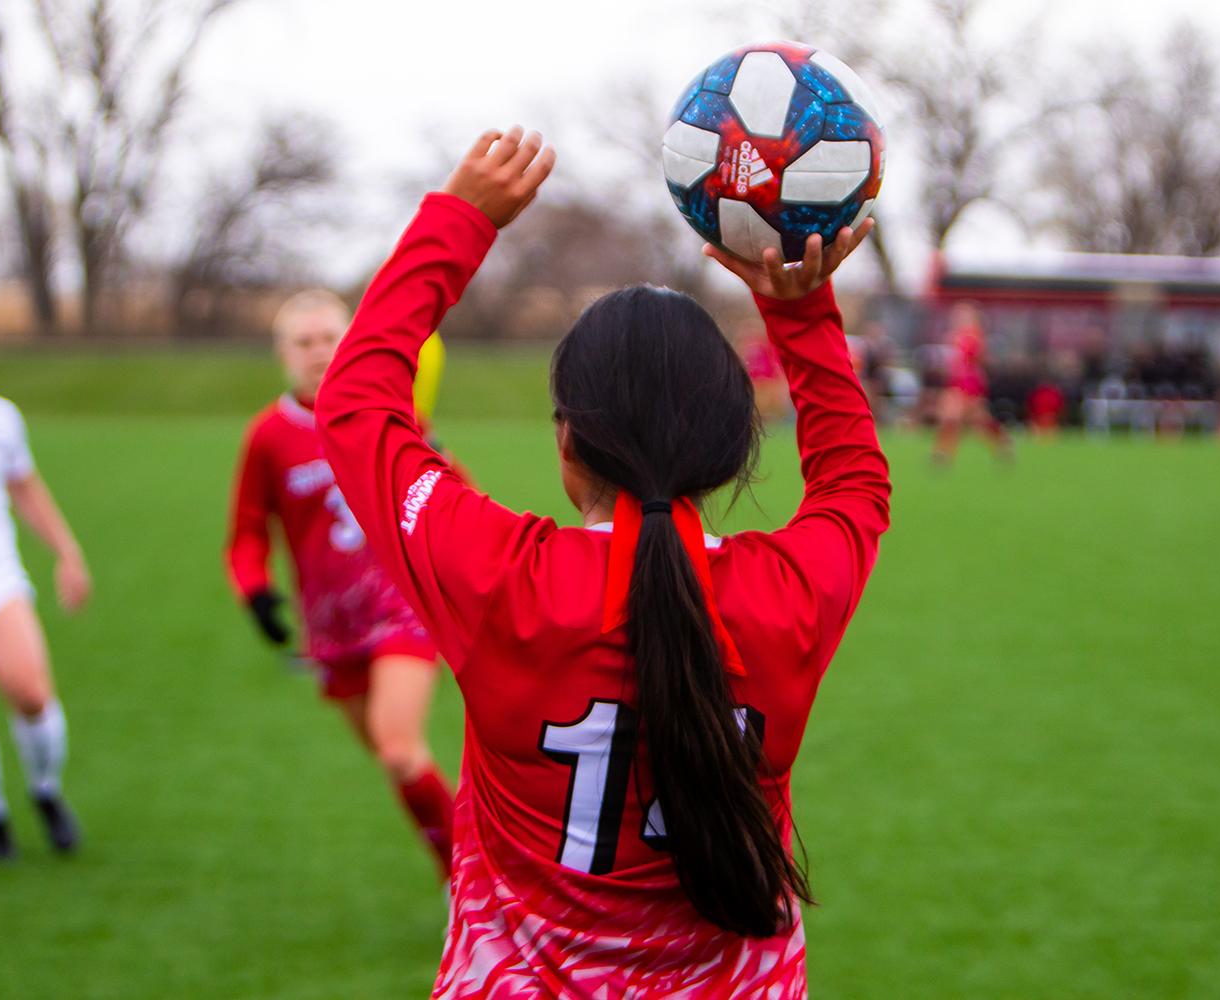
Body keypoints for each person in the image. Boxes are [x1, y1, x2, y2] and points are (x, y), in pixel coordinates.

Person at [316, 127, 889, 997]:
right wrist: (801, 312)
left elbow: (356, 400)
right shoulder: (788, 597)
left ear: (567, 440)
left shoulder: (500, 579)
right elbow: (855, 483)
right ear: (733, 450)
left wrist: (460, 221)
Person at [225, 290, 455, 878]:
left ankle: (473, 876)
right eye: (304, 342)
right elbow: (246, 533)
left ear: (351, 341)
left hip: (401, 603)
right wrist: (255, 591)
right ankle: (454, 870)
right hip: (331, 624)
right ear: (283, 353)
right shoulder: (268, 436)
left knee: (400, 748)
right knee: (392, 757)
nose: (320, 352)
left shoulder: (384, 412)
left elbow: (450, 495)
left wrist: (439, 463)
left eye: (330, 338)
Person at [0, 302, 90, 860]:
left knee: (31, 692)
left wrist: (67, 553)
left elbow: (26, 489)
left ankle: (45, 791)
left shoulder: (0, 418)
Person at [931, 302, 1012, 462]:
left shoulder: (973, 335)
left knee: (963, 418)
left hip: (969, 382)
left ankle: (943, 453)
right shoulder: (956, 336)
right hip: (957, 381)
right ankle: (943, 453)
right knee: (963, 419)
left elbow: (975, 359)